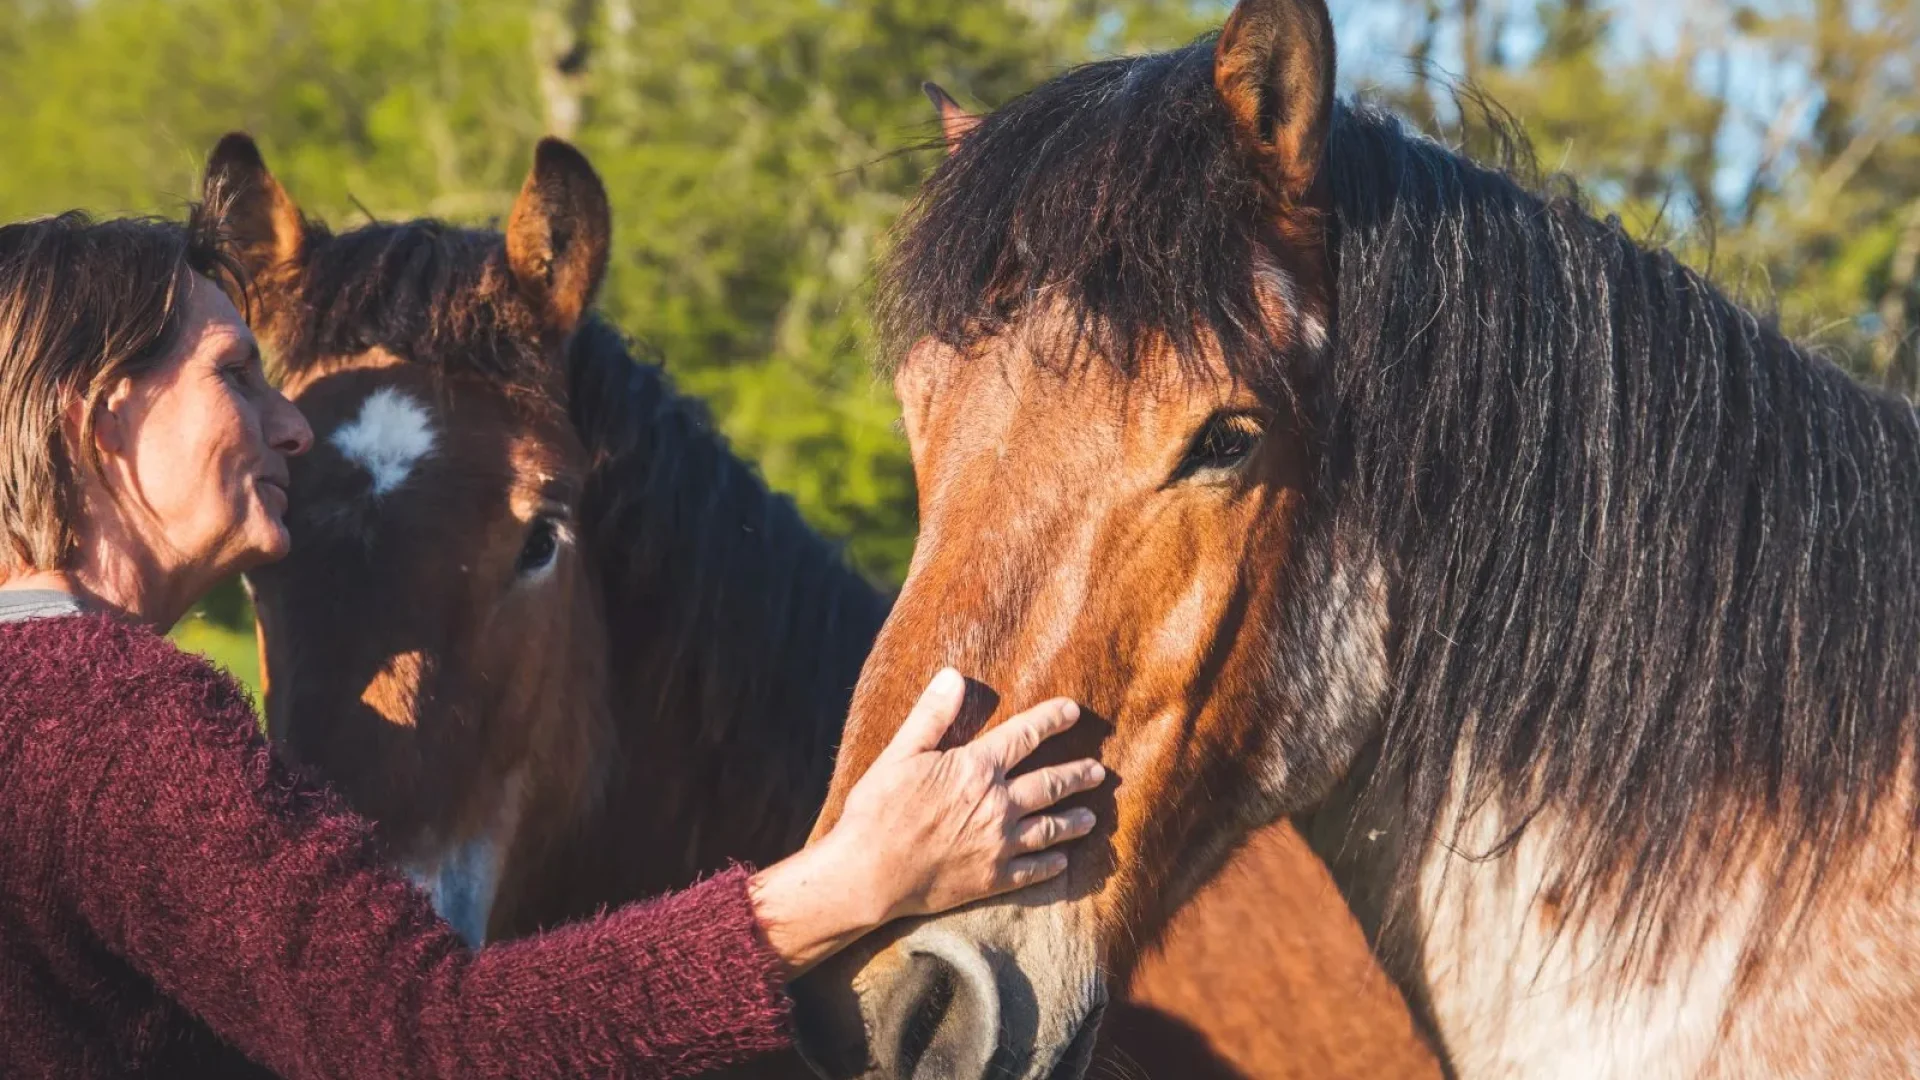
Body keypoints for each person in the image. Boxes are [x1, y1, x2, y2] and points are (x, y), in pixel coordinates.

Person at [0, 211, 1107, 1079]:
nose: (290, 422)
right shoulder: (108, 723)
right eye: (235, 375)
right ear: (96, 416)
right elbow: (435, 1043)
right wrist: (853, 880)